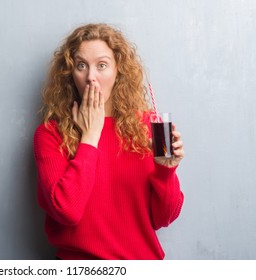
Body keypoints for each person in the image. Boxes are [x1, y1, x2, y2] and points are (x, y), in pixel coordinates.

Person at [33, 23, 185, 260]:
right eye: (81, 66)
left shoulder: (148, 128)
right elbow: (68, 211)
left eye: (102, 65)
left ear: (118, 71)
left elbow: (164, 218)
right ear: (70, 73)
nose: (91, 77)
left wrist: (166, 172)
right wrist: (90, 136)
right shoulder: (50, 134)